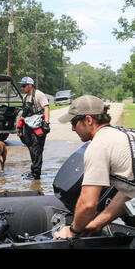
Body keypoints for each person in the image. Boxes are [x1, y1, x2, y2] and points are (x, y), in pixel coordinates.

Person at [54, 95, 135, 239]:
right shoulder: (126, 134)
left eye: (74, 122)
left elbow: (88, 204)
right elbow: (128, 192)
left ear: (88, 120)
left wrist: (73, 231)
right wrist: (97, 223)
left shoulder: (99, 145)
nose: (72, 129)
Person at [17, 76, 50, 180]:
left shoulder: (39, 95)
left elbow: (46, 108)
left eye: (23, 85)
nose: (22, 88)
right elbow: (24, 114)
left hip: (38, 127)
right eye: (21, 86)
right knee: (31, 148)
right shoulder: (25, 97)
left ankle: (36, 174)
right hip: (28, 127)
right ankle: (33, 171)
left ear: (30, 85)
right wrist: (20, 128)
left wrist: (46, 122)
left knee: (37, 150)